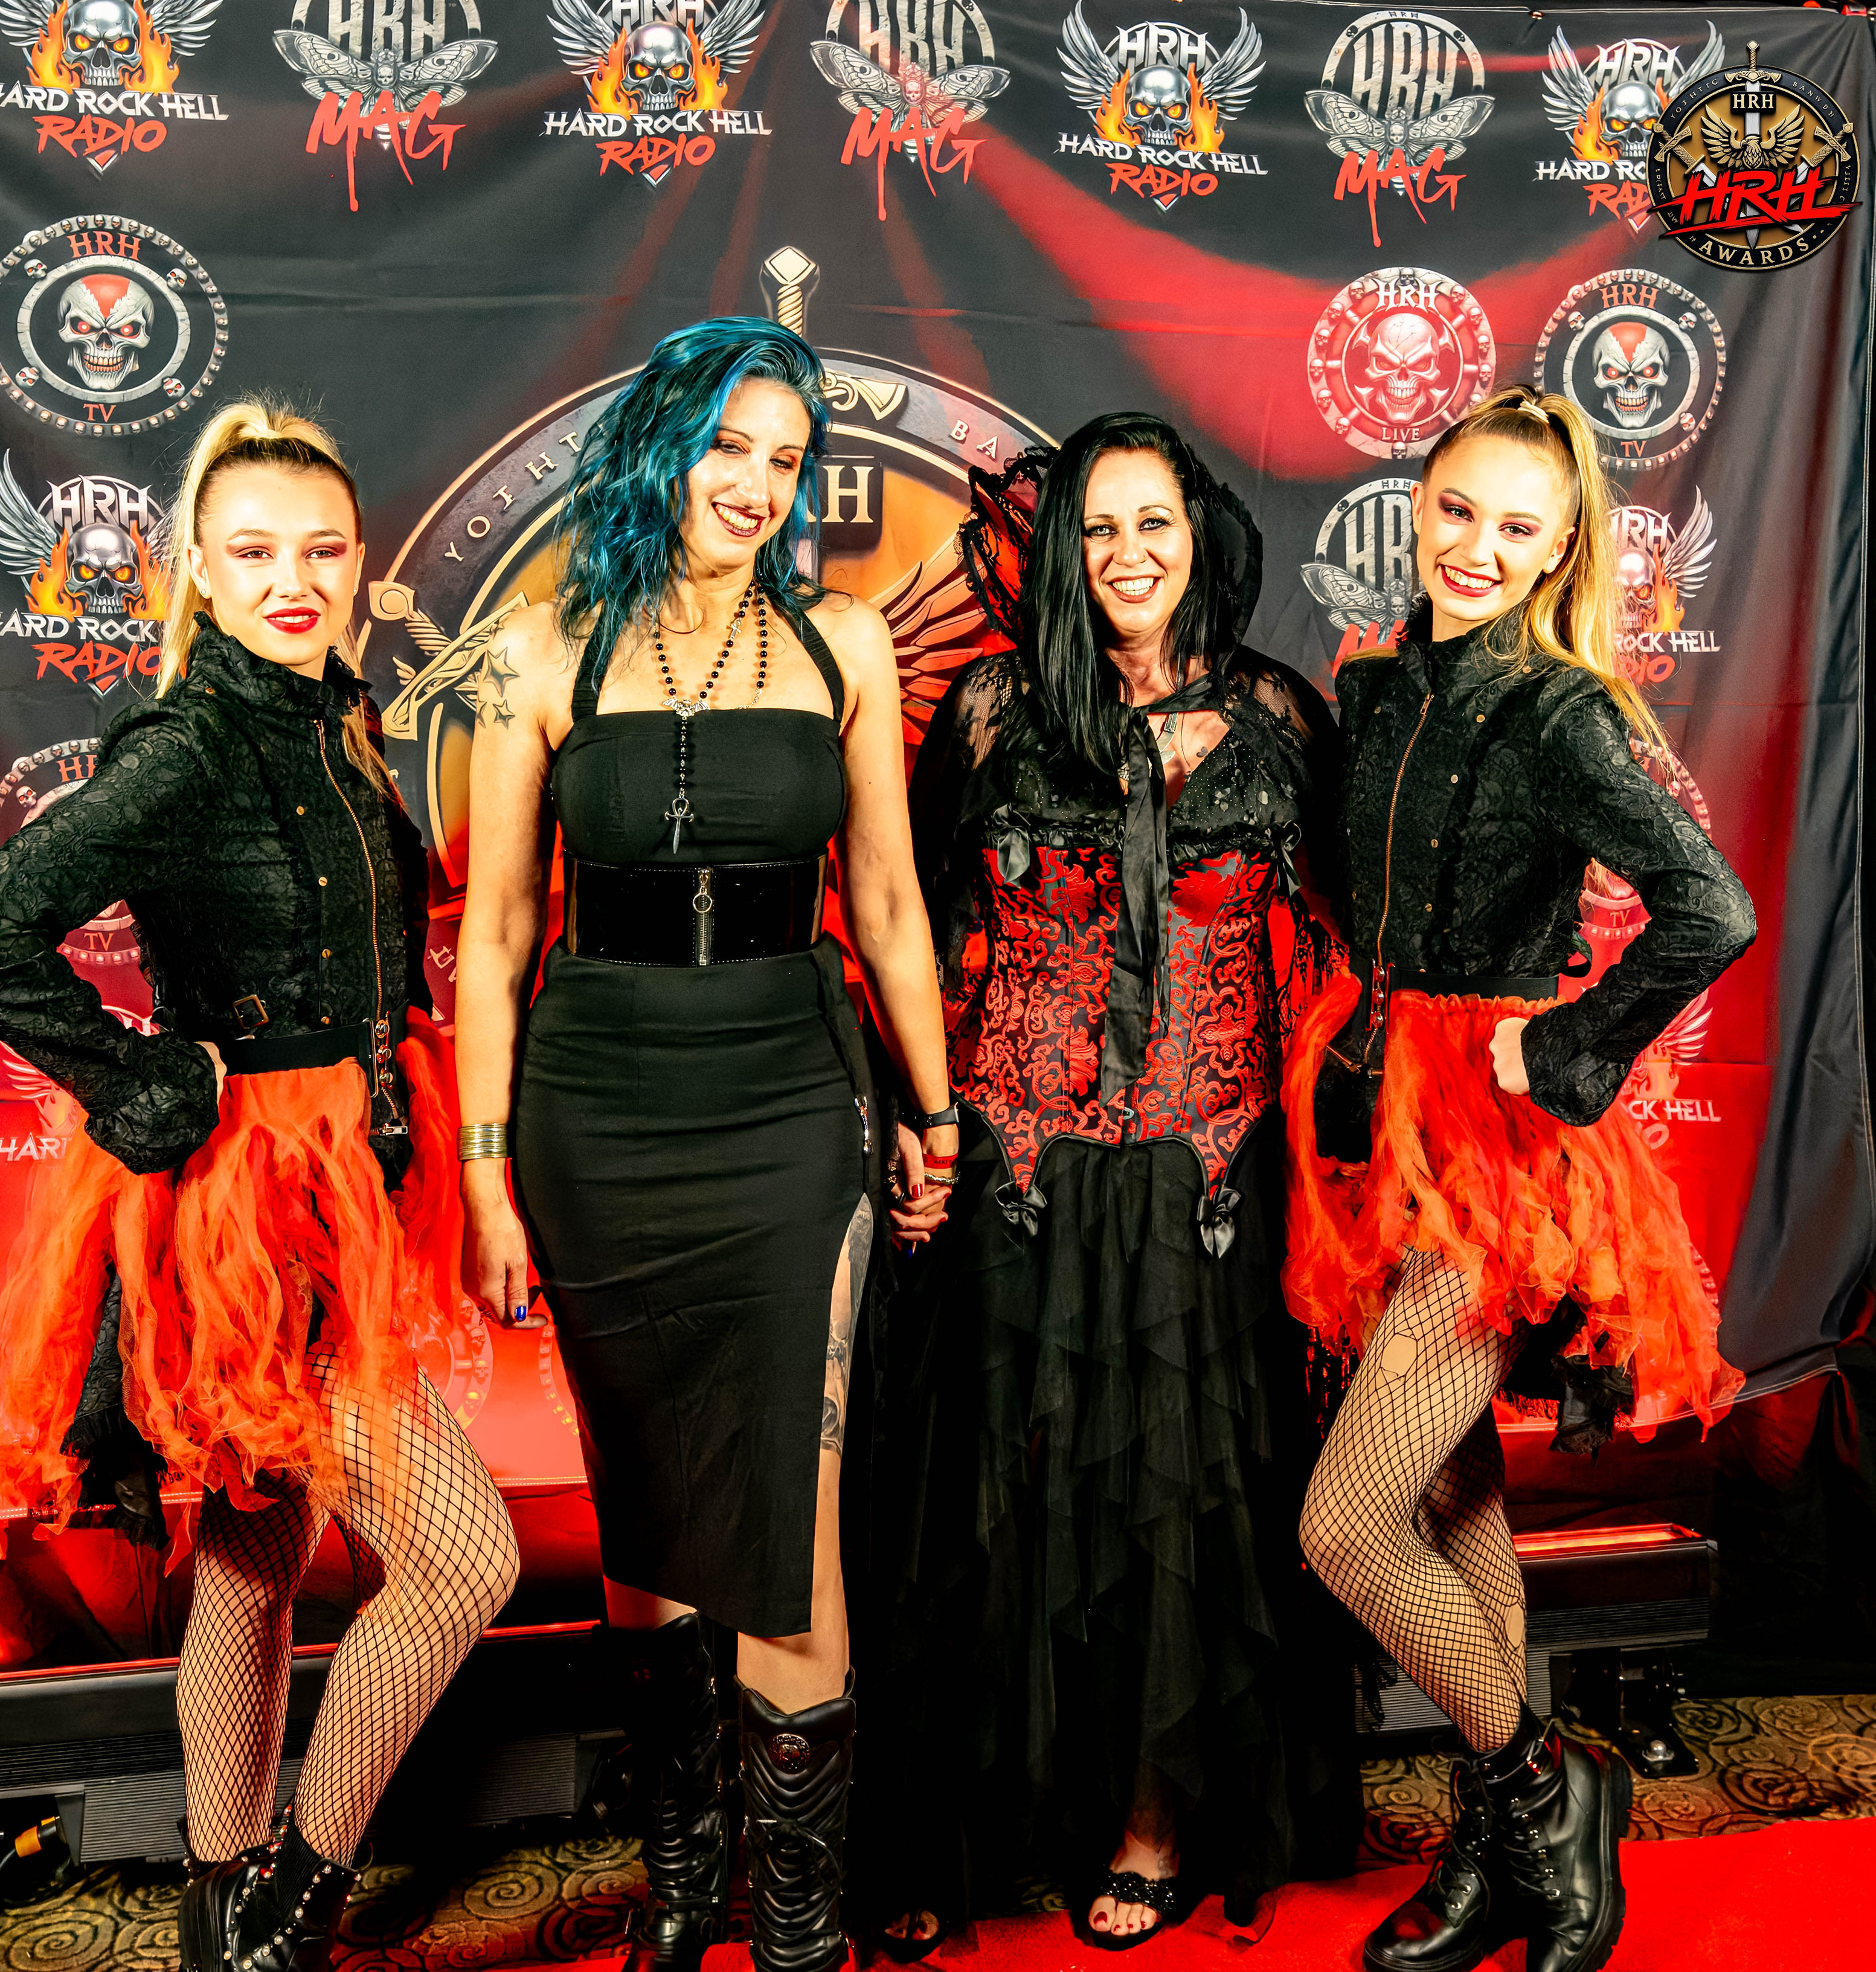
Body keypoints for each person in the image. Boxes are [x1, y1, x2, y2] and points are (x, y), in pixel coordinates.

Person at [0, 401, 519, 1972]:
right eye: (253, 552)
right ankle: (289, 1905)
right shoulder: (185, 747)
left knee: (254, 1562)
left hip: (346, 1190)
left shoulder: (337, 724)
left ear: (359, 559)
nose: (292, 581)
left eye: (321, 551)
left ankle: (216, 1911)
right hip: (251, 1217)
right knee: (465, 1560)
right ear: (196, 564)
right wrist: (138, 1080)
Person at [453, 316, 957, 1972]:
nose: (756, 484)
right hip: (597, 1111)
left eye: (786, 459)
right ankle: (684, 1889)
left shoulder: (846, 643)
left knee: (792, 1520)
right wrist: (485, 1172)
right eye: (728, 446)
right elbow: (497, 932)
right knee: (646, 1510)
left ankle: (797, 1934)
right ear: (661, 445)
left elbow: (887, 902)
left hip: (791, 1096)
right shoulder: (540, 651)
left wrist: (935, 1106)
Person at [860, 415, 1357, 1956]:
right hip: (1018, 1166)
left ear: (1200, 534)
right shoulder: (991, 710)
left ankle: (1153, 1824)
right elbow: (910, 922)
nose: (1129, 554)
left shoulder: (1279, 715)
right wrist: (912, 1123)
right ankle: (975, 1823)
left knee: (1174, 1503)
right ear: (1058, 551)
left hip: (1207, 1174)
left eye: (1155, 523)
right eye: (1097, 527)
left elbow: (1353, 938)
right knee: (995, 1498)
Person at [1282, 385, 1753, 1972]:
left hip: (1500, 1154)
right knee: (1449, 1486)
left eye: (1518, 528)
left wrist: (1566, 1044)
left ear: (1561, 551)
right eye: (1459, 510)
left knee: (1347, 1523)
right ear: (1419, 505)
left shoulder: (1561, 713)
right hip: (1378, 1130)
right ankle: (1503, 1858)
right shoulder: (1375, 682)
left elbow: (1712, 906)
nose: (1478, 547)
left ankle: (1551, 1787)